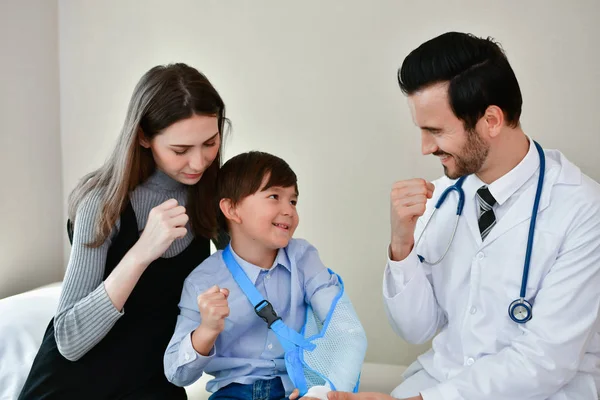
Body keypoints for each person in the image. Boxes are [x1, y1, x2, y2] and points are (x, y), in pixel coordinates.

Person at [329, 32, 600, 400]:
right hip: (439, 381)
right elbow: (416, 329)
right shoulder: (444, 197)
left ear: (491, 120)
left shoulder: (582, 209)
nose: (425, 148)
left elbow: (545, 361)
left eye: (435, 131)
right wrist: (401, 245)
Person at [19, 63, 229, 399]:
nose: (199, 162)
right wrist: (142, 252)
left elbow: (261, 279)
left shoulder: (213, 198)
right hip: (72, 388)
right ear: (143, 137)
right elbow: (69, 340)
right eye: (180, 150)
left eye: (210, 143)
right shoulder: (102, 203)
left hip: (152, 385)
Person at [164, 151, 367, 400]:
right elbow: (176, 373)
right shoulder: (202, 281)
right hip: (233, 394)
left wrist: (323, 394)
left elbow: (347, 330)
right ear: (232, 209)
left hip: (297, 390)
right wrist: (207, 330)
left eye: (293, 201)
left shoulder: (304, 259)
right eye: (274, 196)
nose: (289, 211)